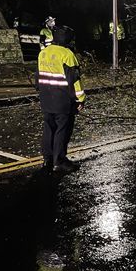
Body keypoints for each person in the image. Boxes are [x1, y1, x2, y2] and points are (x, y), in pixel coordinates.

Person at [35, 25, 85, 173]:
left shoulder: (43, 53)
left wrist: (42, 91)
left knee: (49, 128)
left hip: (46, 97)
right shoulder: (68, 55)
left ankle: (48, 160)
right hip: (62, 99)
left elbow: (37, 78)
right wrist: (80, 99)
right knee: (62, 129)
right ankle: (60, 161)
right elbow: (74, 81)